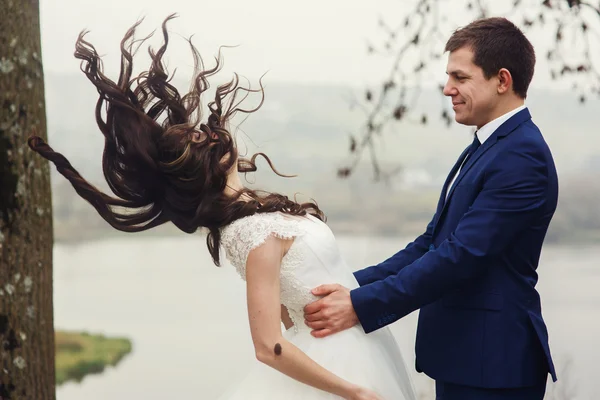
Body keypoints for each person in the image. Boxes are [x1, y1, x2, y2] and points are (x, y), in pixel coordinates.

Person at [28, 15, 416, 400]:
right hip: (339, 368)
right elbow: (268, 346)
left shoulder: (255, 218)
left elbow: (289, 304)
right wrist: (353, 392)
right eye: (202, 138)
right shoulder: (253, 233)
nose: (214, 132)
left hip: (355, 343)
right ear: (206, 169)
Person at [304, 17, 558, 400]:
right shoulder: (489, 146)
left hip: (495, 368)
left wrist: (359, 306)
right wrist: (352, 285)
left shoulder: (523, 156)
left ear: (502, 80)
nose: (447, 89)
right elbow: (430, 244)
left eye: (460, 77)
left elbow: (460, 256)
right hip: (467, 359)